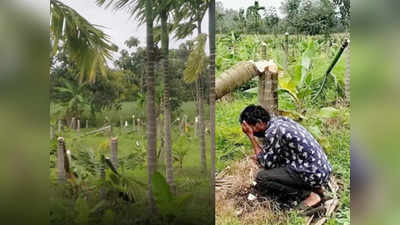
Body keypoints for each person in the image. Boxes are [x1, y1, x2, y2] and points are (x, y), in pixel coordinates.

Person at [239, 105, 332, 209]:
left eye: (251, 128)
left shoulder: (275, 131)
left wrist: (250, 137)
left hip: (313, 173)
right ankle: (318, 189)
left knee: (262, 178)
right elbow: (272, 154)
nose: (253, 132)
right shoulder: (279, 121)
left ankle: (309, 195)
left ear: (260, 123)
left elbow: (265, 163)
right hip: (321, 170)